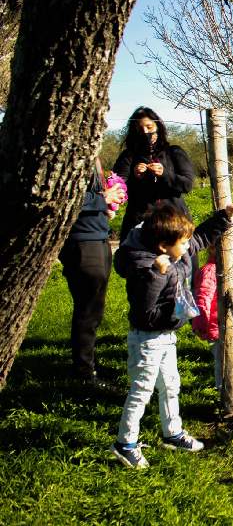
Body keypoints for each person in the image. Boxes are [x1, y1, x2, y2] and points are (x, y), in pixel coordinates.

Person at [110, 201, 233, 469]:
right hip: (147, 338)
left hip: (166, 335)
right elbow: (146, 314)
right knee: (142, 390)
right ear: (163, 246)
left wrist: (223, 217)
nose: (188, 248)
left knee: (171, 384)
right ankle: (125, 442)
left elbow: (201, 238)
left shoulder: (175, 250)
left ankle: (173, 432)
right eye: (183, 243)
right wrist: (160, 279)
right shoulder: (147, 269)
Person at [59, 159, 125, 386]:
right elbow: (61, 198)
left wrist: (105, 207)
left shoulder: (93, 156)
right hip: (81, 242)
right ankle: (83, 373)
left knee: (95, 308)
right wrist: (101, 199)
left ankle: (88, 363)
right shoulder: (73, 156)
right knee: (88, 308)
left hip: (98, 237)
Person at [112, 107, 195, 241]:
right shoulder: (128, 157)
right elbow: (116, 188)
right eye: (140, 129)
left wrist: (165, 174)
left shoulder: (174, 152)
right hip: (139, 226)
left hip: (176, 225)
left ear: (158, 126)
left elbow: (187, 184)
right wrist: (135, 177)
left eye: (149, 127)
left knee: (179, 260)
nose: (145, 132)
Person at [193, 240, 233, 390]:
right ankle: (223, 390)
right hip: (217, 325)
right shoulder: (210, 271)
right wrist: (201, 323)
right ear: (212, 249)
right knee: (222, 359)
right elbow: (202, 298)